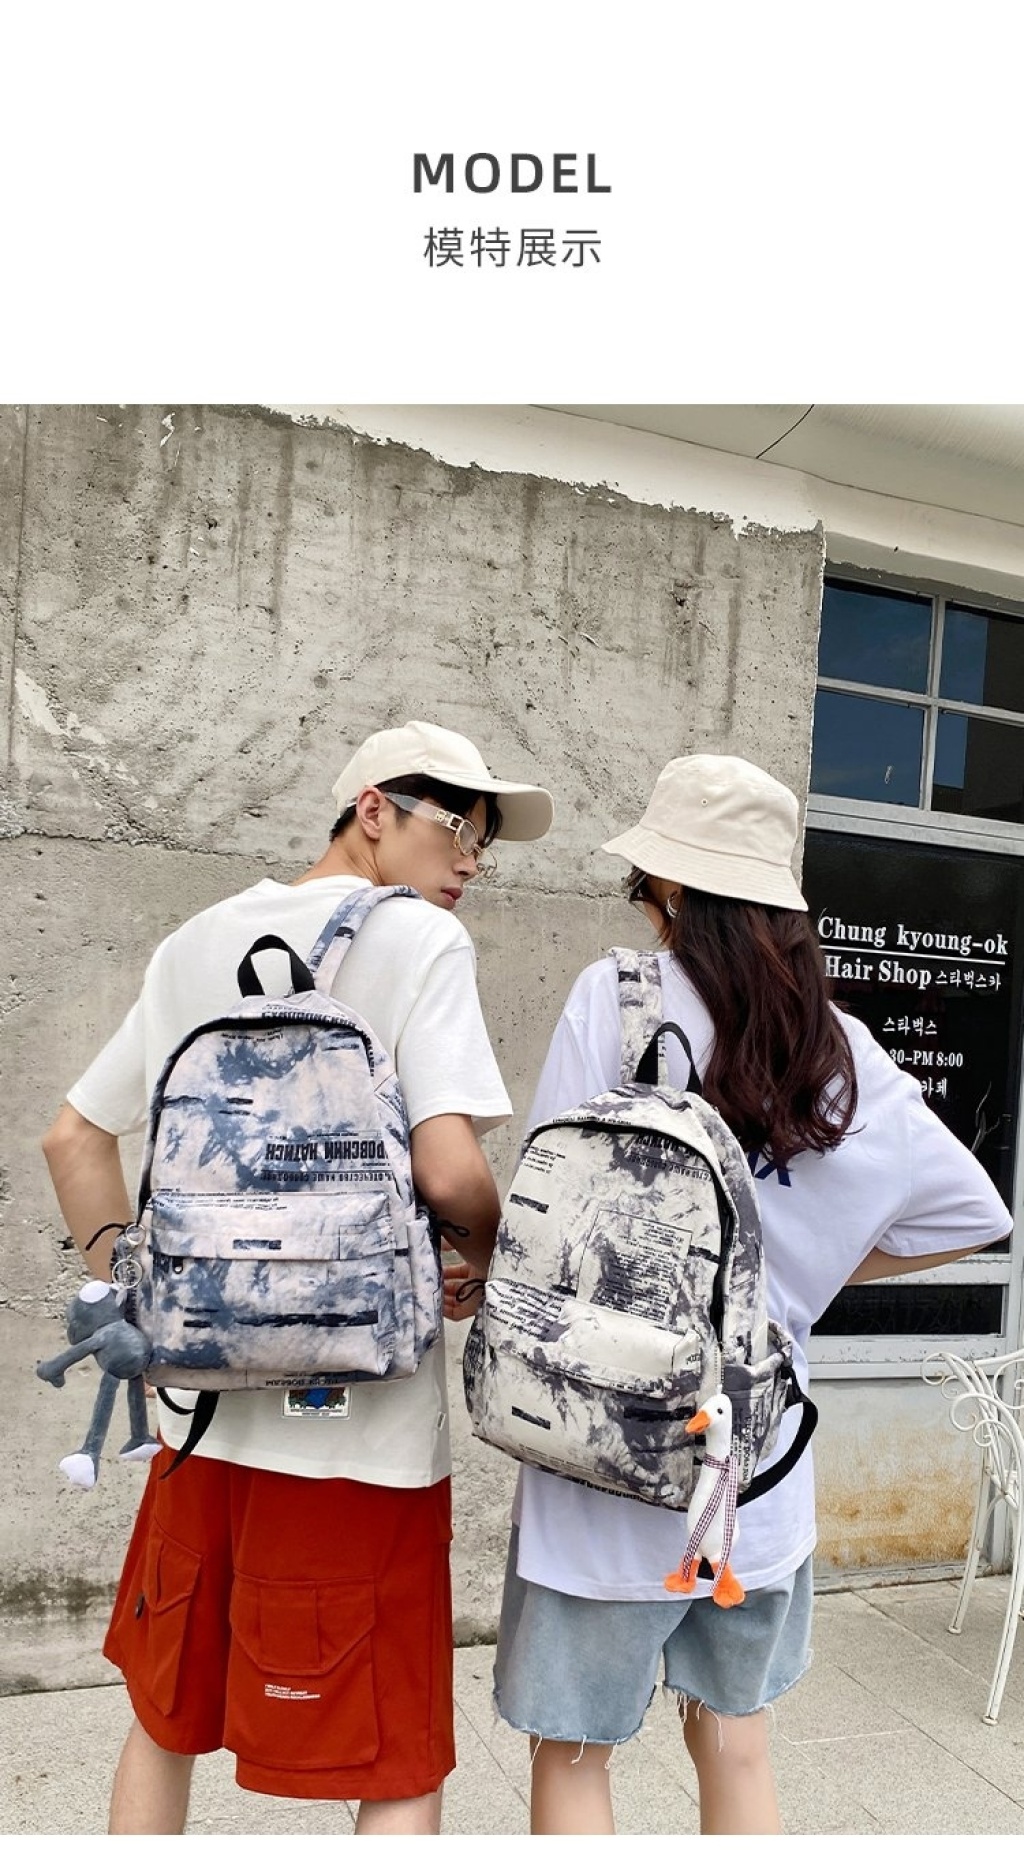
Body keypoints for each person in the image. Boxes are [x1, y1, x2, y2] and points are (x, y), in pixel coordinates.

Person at [482, 752, 1013, 1836]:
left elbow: (547, 1210)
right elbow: (975, 1213)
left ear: (672, 884)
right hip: (755, 1462)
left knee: (575, 1753)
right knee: (736, 1742)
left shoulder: (617, 1001)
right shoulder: (843, 1051)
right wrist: (784, 1277)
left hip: (602, 1448)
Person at [40, 718, 553, 1837]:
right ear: (372, 809)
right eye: (459, 826)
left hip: (198, 1425)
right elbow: (448, 1168)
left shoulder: (192, 942)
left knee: (163, 1720)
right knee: (395, 1760)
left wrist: (140, 1287)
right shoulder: (420, 939)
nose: (472, 859)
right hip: (361, 1446)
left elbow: (73, 1137)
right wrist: (484, 1252)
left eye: (486, 842)